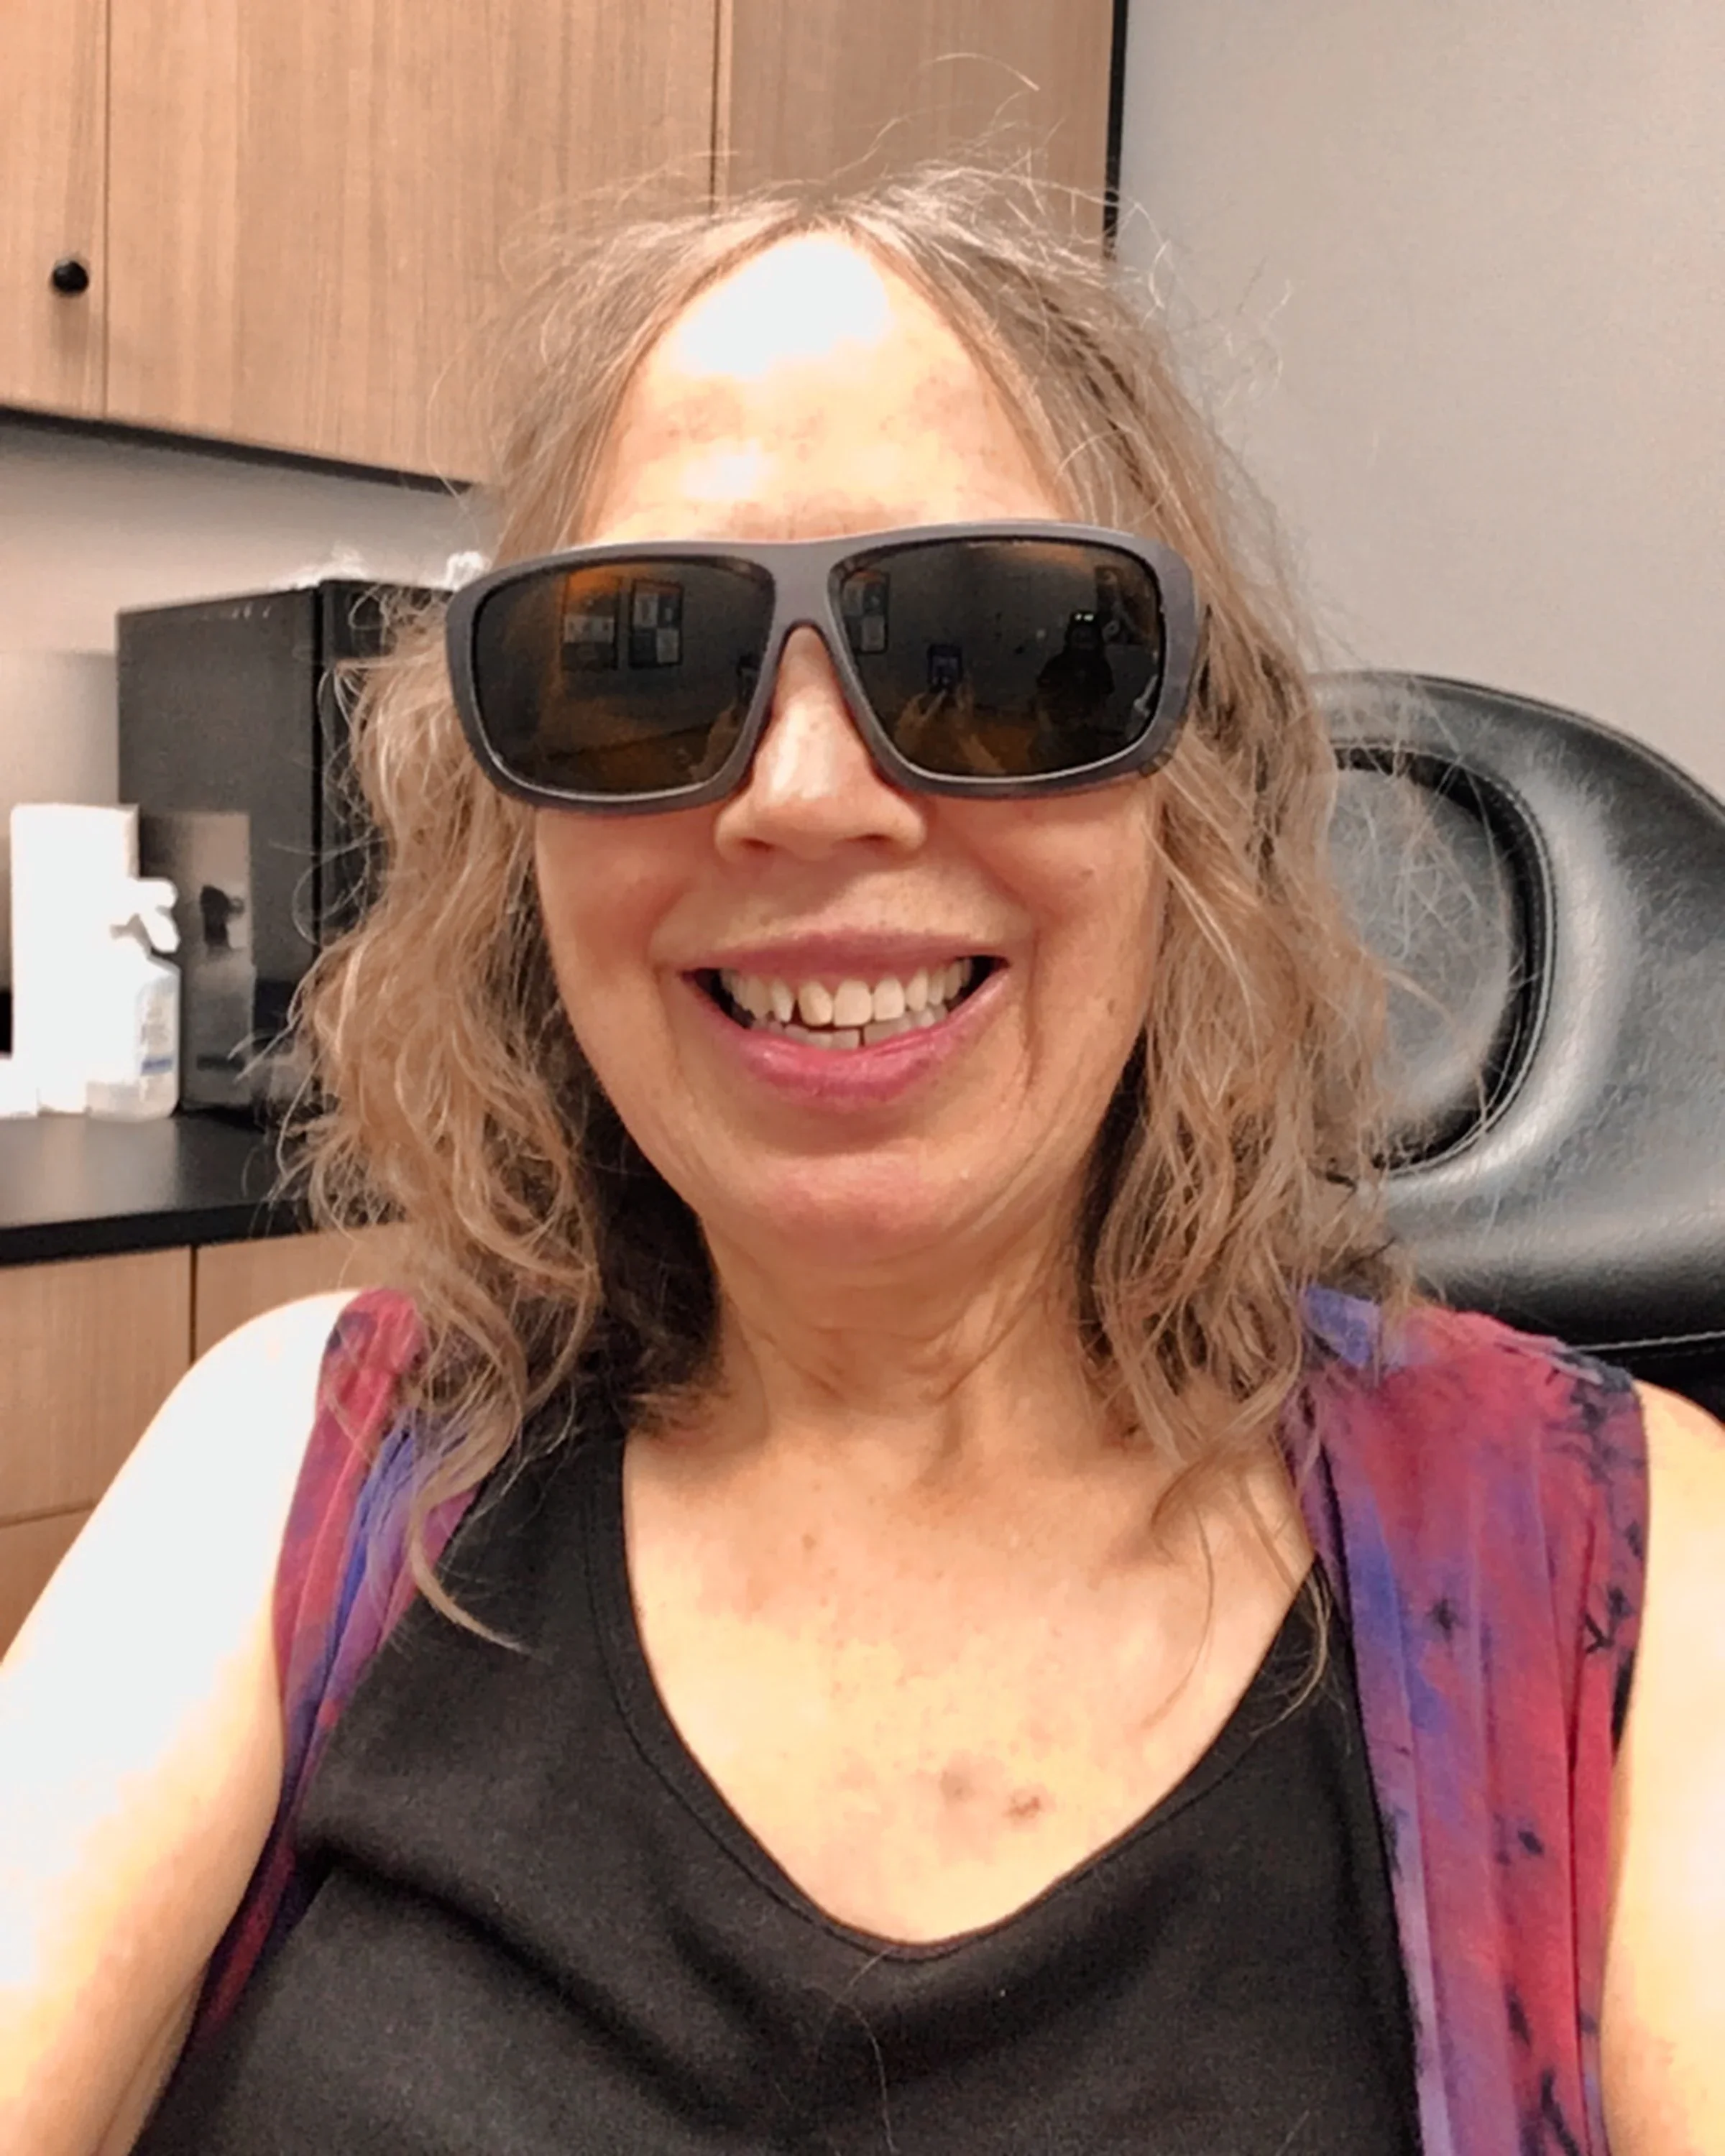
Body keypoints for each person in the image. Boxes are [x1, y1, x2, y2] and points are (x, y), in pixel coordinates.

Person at [3, 166, 1722, 2156]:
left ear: (1193, 789)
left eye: (995, 654)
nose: (807, 797)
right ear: (514, 845)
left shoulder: (1628, 1586)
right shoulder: (293, 1479)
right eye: (641, 668)